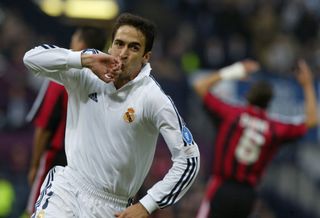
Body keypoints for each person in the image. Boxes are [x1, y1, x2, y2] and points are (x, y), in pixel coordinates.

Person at [23, 12, 200, 217]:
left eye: (133, 47)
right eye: (119, 43)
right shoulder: (86, 69)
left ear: (145, 57)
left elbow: (189, 159)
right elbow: (31, 59)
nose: (123, 53)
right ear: (110, 46)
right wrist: (82, 59)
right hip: (67, 188)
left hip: (113, 206)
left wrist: (147, 204)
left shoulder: (153, 98)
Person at [193, 59, 317, 218]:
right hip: (247, 195)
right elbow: (312, 121)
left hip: (222, 186)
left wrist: (235, 70)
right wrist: (307, 84)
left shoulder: (232, 114)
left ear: (248, 96)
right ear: (269, 103)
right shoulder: (274, 128)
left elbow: (200, 86)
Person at [25, 26, 108, 216]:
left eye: (74, 39)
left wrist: (35, 165)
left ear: (81, 44)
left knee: (39, 209)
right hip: (89, 163)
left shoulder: (60, 76)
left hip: (56, 156)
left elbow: (44, 125)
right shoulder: (107, 81)